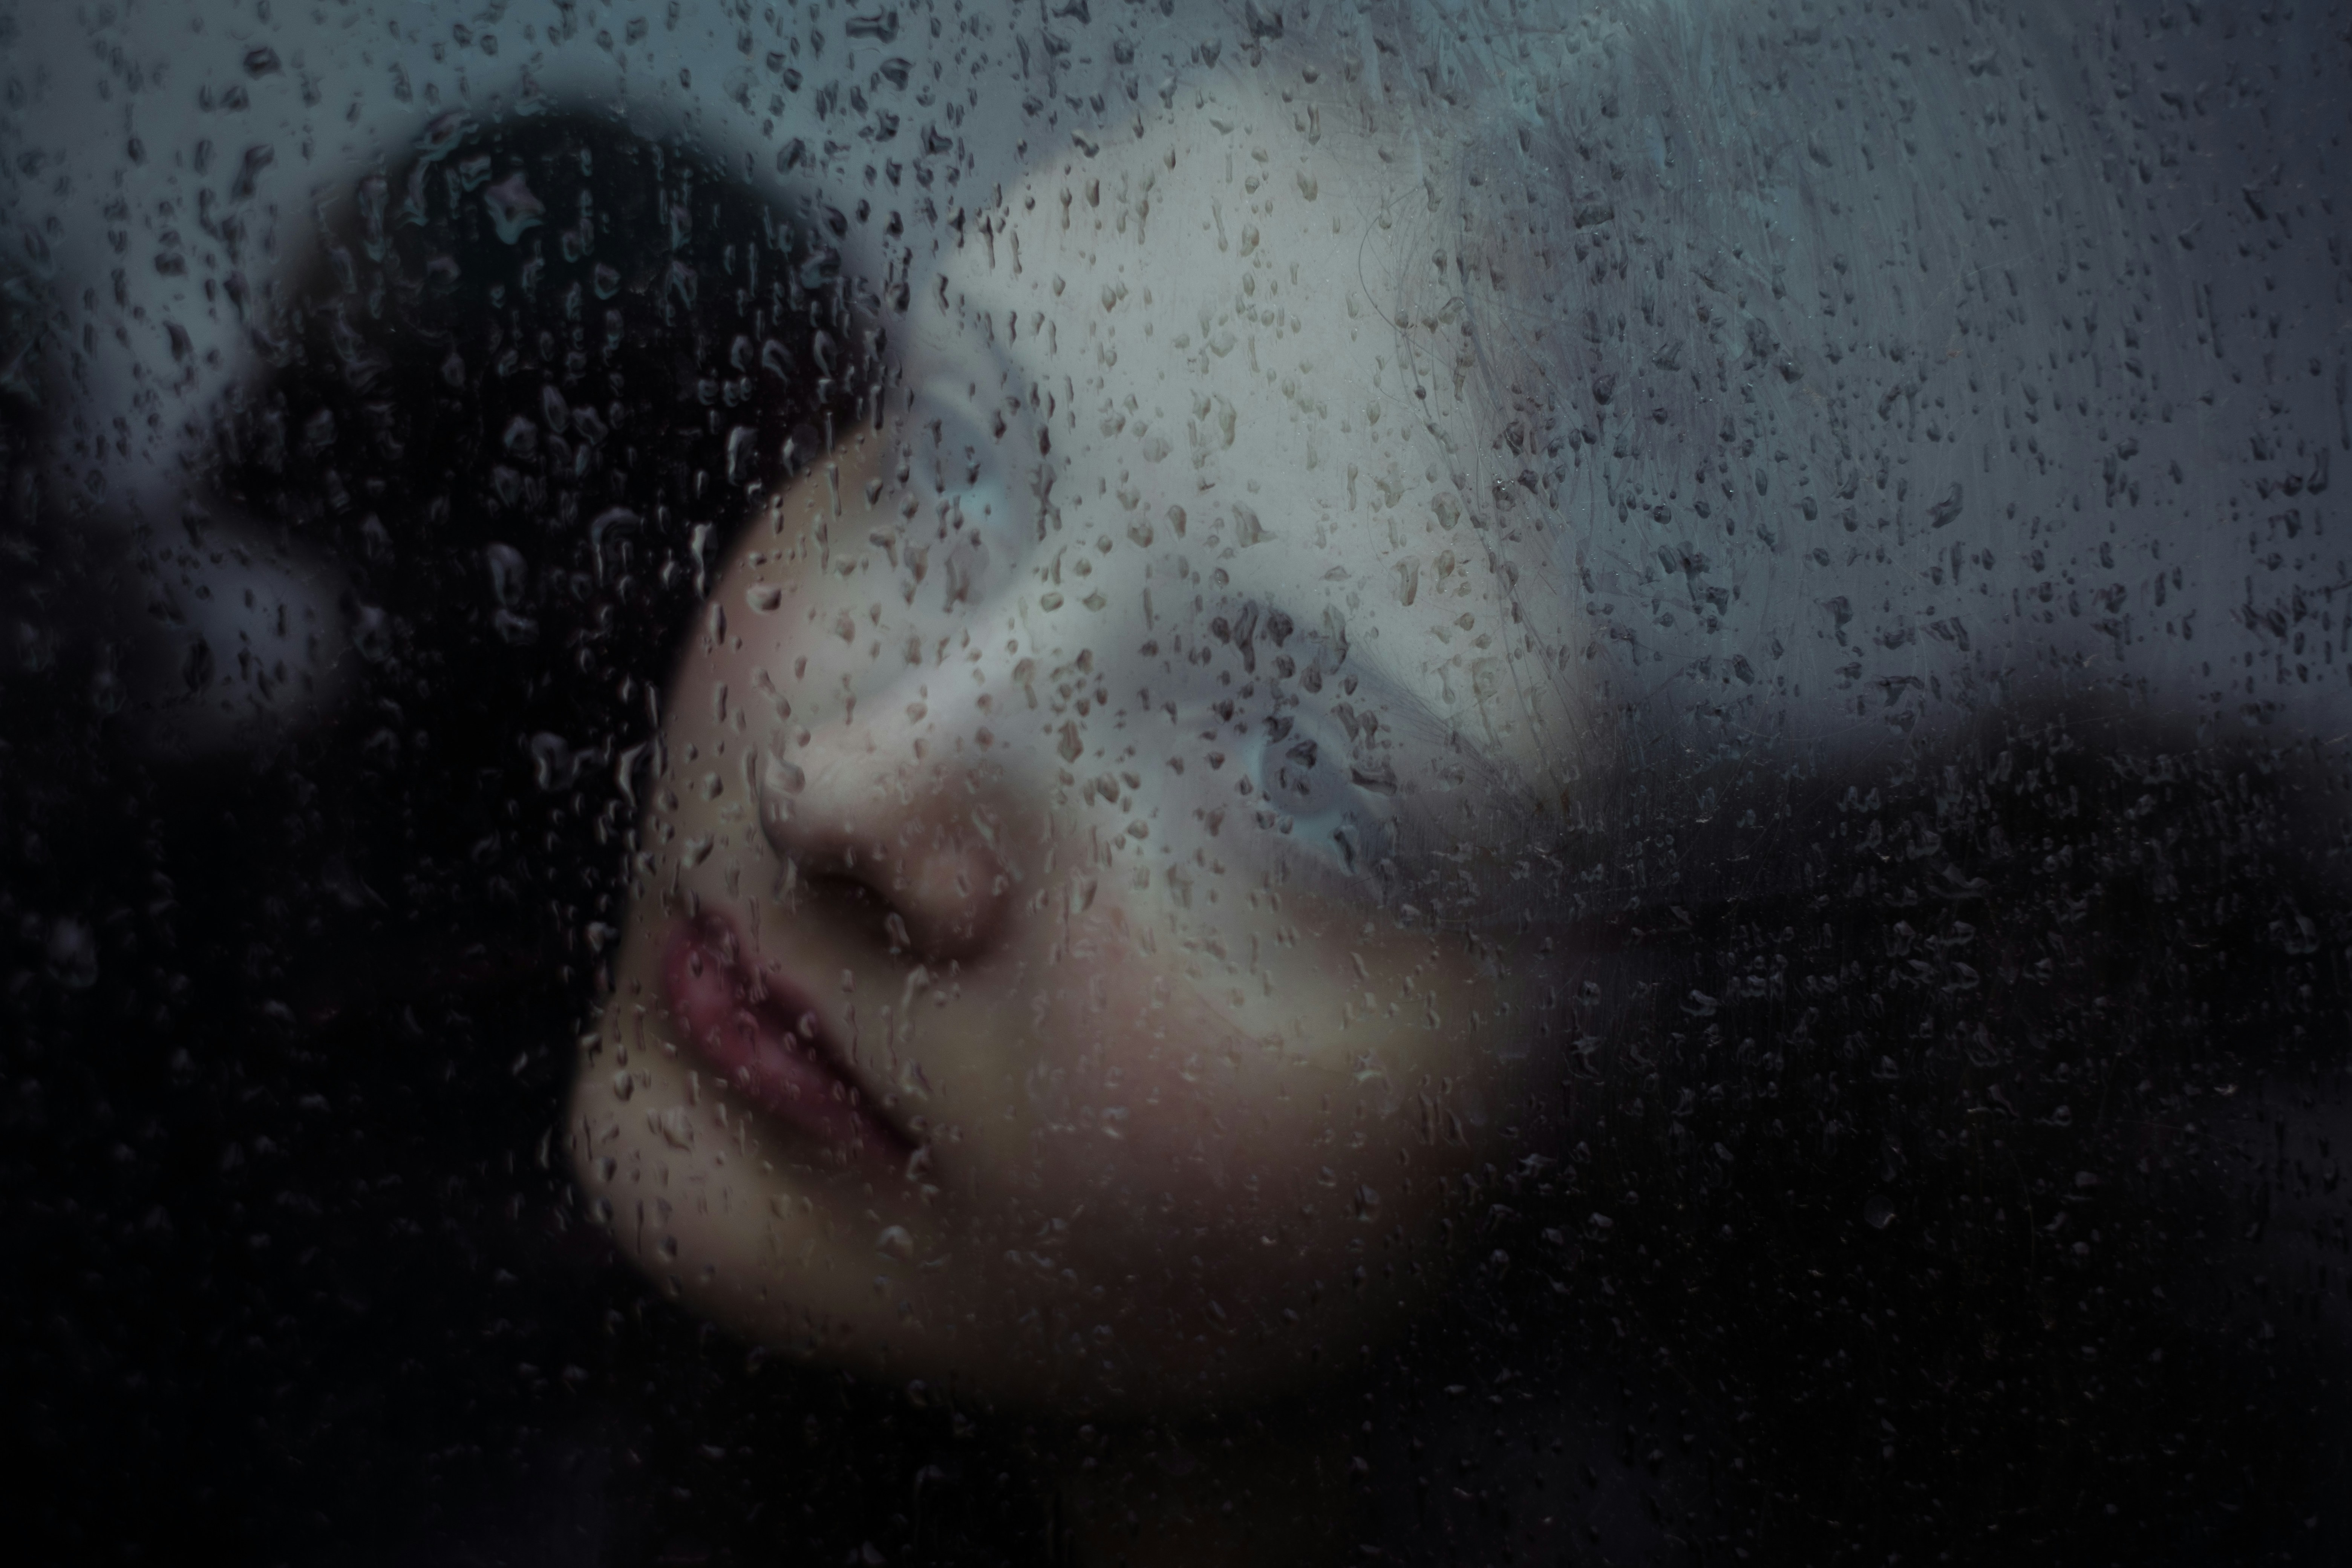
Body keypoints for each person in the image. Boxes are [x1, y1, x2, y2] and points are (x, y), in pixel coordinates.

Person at [70, 2, 2347, 1563]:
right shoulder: (264, 1286)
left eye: (1312, 786)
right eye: (962, 466)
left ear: (1641, 1090)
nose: (866, 786)